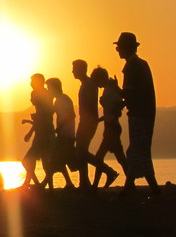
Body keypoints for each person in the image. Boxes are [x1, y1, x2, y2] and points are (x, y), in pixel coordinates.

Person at [114, 32, 161, 196]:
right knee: (135, 151)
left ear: (125, 48)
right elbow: (140, 93)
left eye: (119, 47)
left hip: (139, 114)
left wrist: (116, 89)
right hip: (145, 112)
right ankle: (130, 188)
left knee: (138, 150)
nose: (117, 50)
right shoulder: (142, 64)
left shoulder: (131, 66)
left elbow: (130, 93)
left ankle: (153, 189)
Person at [72, 59, 119, 189]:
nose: (72, 71)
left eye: (74, 69)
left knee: (81, 151)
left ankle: (108, 171)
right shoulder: (85, 85)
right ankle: (84, 182)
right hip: (86, 121)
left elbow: (91, 106)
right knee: (81, 152)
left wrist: (88, 123)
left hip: (88, 122)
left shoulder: (89, 85)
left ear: (81, 69)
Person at [91, 68, 127, 187]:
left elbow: (117, 108)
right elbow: (110, 111)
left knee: (100, 157)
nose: (96, 85)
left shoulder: (111, 88)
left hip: (112, 127)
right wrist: (99, 119)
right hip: (110, 126)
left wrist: (104, 105)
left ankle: (96, 184)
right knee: (119, 158)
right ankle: (129, 182)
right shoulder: (108, 88)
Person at [42, 78, 76, 190]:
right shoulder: (59, 100)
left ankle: (44, 184)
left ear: (54, 88)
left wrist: (59, 128)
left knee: (56, 160)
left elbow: (72, 115)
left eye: (49, 88)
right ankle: (69, 183)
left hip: (66, 134)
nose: (48, 90)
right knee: (61, 160)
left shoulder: (63, 99)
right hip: (64, 133)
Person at [21, 73, 54, 188]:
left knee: (27, 160)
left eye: (32, 82)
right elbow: (42, 117)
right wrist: (30, 132)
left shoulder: (42, 95)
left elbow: (44, 117)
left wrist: (31, 132)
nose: (30, 84)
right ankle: (44, 187)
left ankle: (37, 185)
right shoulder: (43, 95)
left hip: (44, 133)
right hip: (43, 131)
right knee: (43, 161)